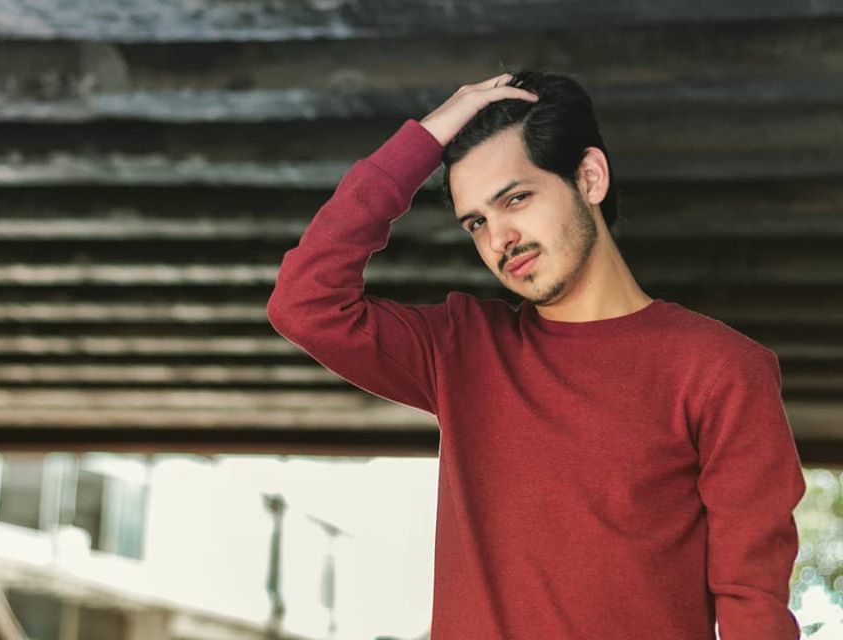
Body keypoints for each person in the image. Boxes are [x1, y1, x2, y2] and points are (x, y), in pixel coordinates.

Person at [266, 69, 807, 639]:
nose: (499, 239)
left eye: (516, 198)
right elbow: (305, 304)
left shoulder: (722, 369)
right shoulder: (462, 350)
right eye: (477, 222)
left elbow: (753, 605)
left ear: (590, 177)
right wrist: (422, 141)